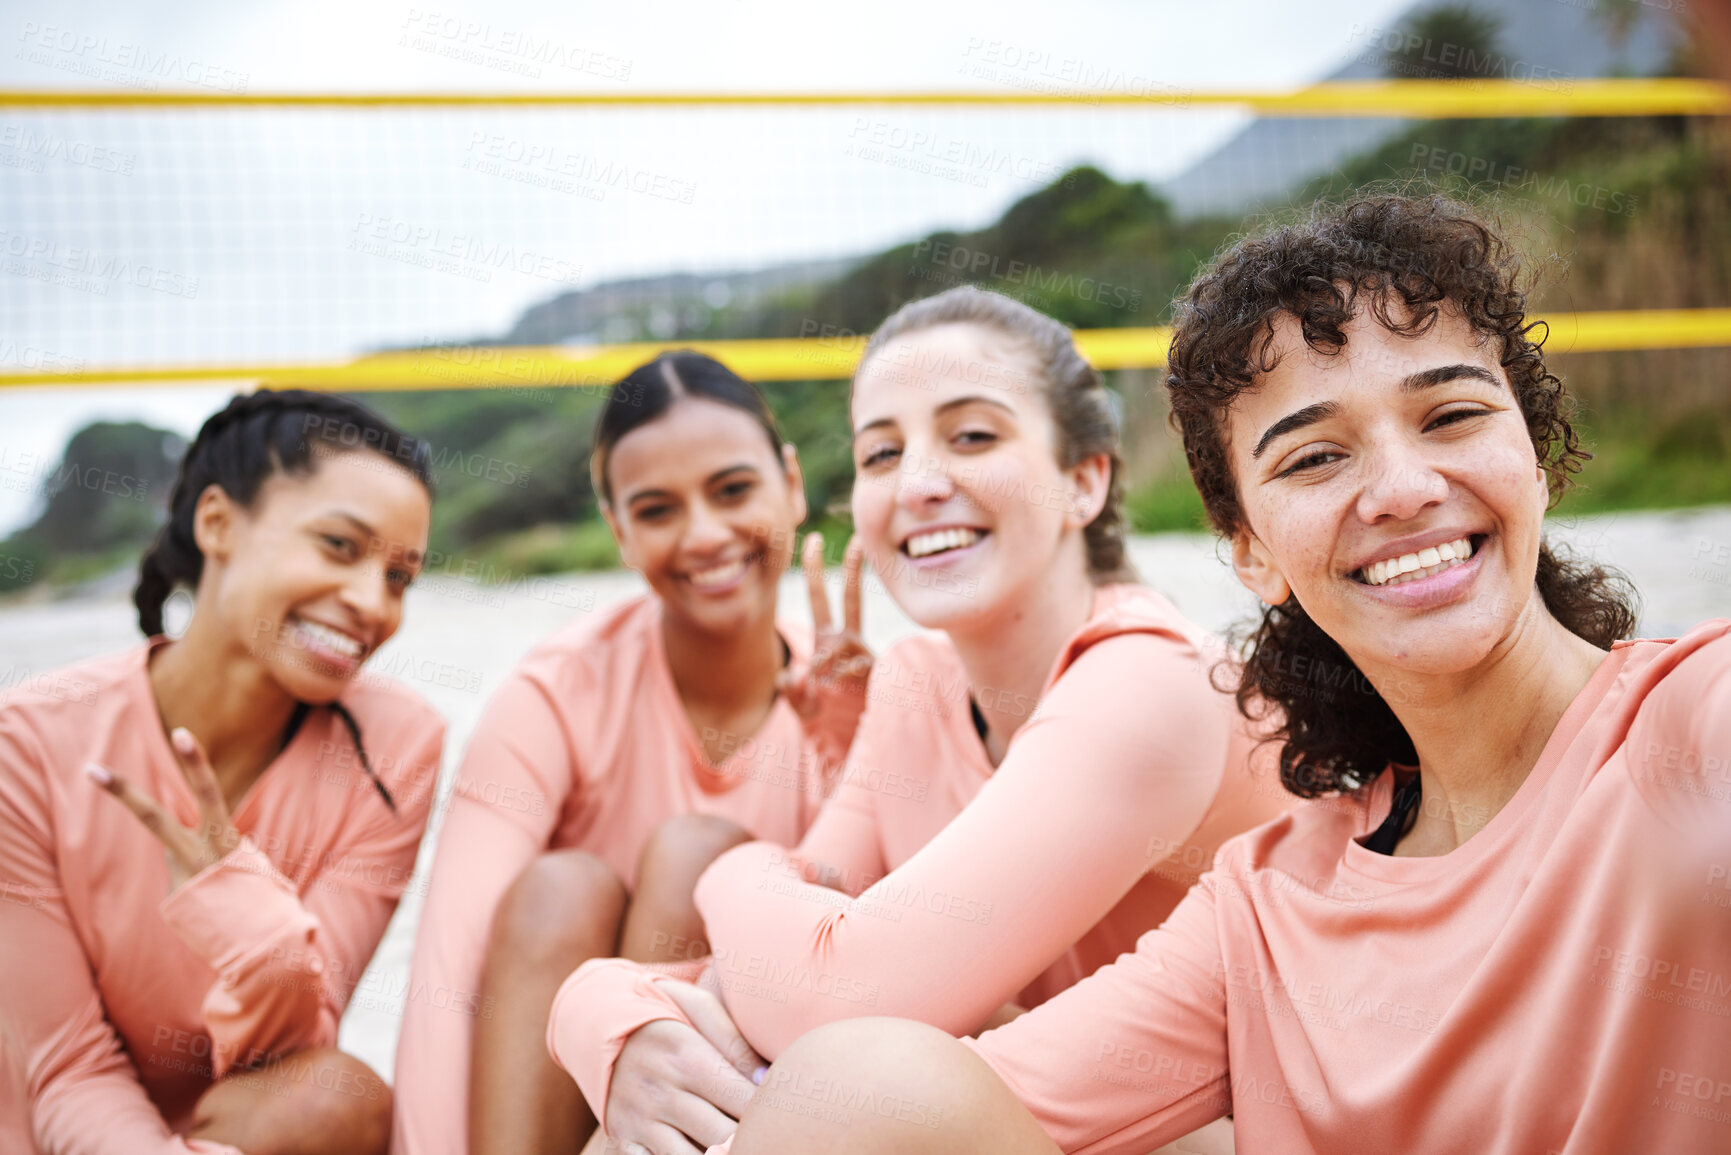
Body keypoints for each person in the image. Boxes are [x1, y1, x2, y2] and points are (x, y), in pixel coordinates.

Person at [723, 194, 1731, 1155]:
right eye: (1315, 459)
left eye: (1451, 416)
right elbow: (874, 1106)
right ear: (1250, 550)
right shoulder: (1269, 900)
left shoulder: (1696, 720)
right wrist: (602, 1015)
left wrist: (729, 876)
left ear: (1537, 457)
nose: (1403, 487)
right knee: (845, 1088)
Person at [548, 286, 1292, 1155]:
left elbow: (834, 992)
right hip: (1000, 1107)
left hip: (1206, 1135)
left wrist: (730, 873)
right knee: (675, 1091)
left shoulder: (1150, 680)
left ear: (1082, 479)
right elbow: (761, 974)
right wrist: (603, 1010)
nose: (920, 483)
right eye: (880, 453)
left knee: (833, 1078)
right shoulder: (913, 681)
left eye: (972, 435)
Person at [392, 352, 870, 1155]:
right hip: (554, 1102)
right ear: (617, 530)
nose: (705, 534)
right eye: (656, 509)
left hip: (748, 1104)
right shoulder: (556, 692)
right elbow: (448, 972)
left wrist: (860, 751)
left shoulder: (847, 696)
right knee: (559, 885)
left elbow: (913, 958)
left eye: (732, 490)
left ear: (790, 482)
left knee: (703, 857)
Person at [0, 389, 445, 1155]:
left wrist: (240, 905)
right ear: (217, 523)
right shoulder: (28, 741)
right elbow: (65, 1067)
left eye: (401, 575)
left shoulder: (397, 743)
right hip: (57, 1131)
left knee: (333, 1095)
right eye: (340, 545)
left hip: (241, 1131)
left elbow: (298, 1046)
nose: (373, 602)